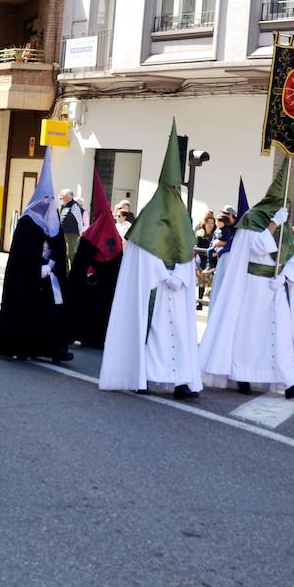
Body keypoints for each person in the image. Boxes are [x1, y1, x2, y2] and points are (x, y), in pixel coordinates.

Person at [99, 122, 202, 401]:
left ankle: (180, 381)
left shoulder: (182, 217)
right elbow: (140, 254)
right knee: (151, 334)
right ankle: (141, 376)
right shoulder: (148, 216)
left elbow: (188, 251)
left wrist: (179, 275)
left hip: (176, 290)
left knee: (179, 335)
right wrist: (161, 275)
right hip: (153, 291)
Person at [199, 158, 294, 399]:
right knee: (250, 333)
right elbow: (259, 246)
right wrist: (273, 223)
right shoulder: (253, 219)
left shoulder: (283, 224)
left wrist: (284, 277)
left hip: (274, 285)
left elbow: (289, 255)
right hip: (253, 286)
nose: (287, 208)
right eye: (284, 203)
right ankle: (243, 376)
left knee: (280, 333)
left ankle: (289, 382)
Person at [0, 152, 73, 363]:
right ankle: (21, 347)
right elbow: (21, 254)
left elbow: (59, 248)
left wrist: (52, 265)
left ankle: (53, 349)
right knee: (25, 310)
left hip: (50, 276)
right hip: (28, 278)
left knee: (52, 310)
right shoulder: (27, 223)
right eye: (45, 200)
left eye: (51, 200)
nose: (48, 204)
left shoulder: (55, 222)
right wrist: (37, 267)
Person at [65, 174, 123, 350]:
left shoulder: (90, 236)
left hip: (88, 285)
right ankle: (96, 338)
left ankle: (76, 333)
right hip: (104, 288)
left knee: (83, 307)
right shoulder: (116, 238)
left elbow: (78, 265)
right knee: (100, 310)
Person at [58, 188, 87, 269]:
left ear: (69, 196)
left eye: (63, 195)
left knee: (71, 253)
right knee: (65, 253)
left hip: (72, 234)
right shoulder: (64, 205)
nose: (61, 197)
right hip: (64, 233)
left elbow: (79, 220)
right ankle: (66, 270)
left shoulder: (74, 206)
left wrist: (81, 232)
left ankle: (73, 270)